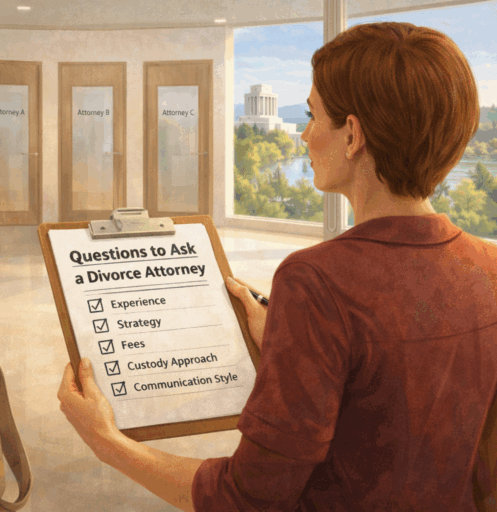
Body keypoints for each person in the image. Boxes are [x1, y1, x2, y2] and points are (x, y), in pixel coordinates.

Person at [57, 21, 497, 511]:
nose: (305, 135)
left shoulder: (316, 280)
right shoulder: (492, 267)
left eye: (313, 117)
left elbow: (248, 499)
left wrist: (107, 443)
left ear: (352, 135)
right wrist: (293, 345)